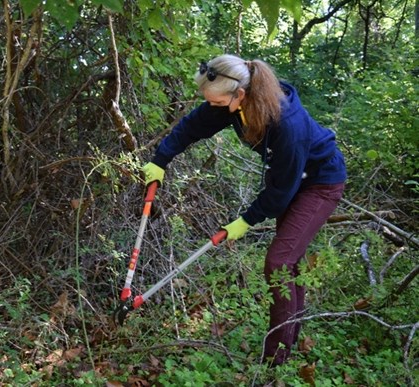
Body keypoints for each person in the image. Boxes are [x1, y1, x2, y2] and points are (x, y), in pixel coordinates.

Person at [142, 54, 346, 366]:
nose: (211, 106)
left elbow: (280, 191)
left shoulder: (286, 124)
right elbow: (192, 126)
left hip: (320, 184)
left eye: (217, 102)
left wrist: (246, 220)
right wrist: (160, 159)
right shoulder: (234, 104)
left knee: (279, 262)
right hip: (290, 180)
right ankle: (291, 339)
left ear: (240, 95)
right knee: (289, 262)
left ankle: (275, 361)